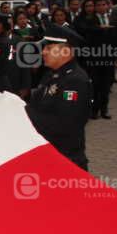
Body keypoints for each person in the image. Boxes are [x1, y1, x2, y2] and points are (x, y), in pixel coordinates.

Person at [25, 26, 91, 170]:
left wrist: (24, 114)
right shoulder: (51, 74)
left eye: (49, 48)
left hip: (65, 158)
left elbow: (65, 123)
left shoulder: (75, 81)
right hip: (48, 153)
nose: (43, 52)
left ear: (66, 52)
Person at [87, 0, 117, 119]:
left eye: (104, 4)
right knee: (95, 84)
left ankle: (104, 109)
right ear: (95, 7)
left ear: (107, 6)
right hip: (94, 56)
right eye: (99, 5)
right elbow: (87, 34)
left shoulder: (114, 18)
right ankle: (94, 110)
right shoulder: (90, 20)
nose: (101, 7)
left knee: (106, 84)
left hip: (109, 56)